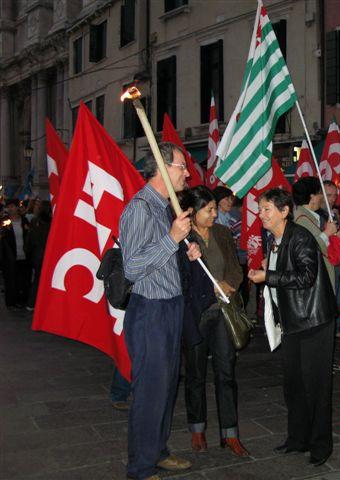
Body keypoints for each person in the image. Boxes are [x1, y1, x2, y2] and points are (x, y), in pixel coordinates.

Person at [119, 142, 201, 480]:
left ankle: (158, 450)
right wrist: (171, 238)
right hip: (150, 311)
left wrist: (185, 250)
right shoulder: (139, 208)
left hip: (170, 306)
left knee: (166, 387)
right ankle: (140, 467)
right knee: (151, 390)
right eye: (181, 166)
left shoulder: (163, 207)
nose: (187, 172)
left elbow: (160, 255)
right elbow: (132, 267)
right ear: (161, 169)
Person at [248, 188, 336, 466]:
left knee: (316, 386)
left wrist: (269, 275)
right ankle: (298, 438)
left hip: (313, 319)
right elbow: (286, 268)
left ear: (284, 211)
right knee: (294, 384)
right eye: (260, 209)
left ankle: (321, 445)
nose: (261, 215)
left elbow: (307, 276)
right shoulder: (274, 237)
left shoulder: (300, 236)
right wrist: (268, 265)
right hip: (291, 320)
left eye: (267, 210)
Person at [180, 185, 249, 457]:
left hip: (223, 312)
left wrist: (229, 284)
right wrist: (209, 285)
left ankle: (229, 434)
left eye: (213, 209)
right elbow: (182, 280)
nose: (213, 214)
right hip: (197, 314)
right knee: (195, 374)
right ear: (192, 212)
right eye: (208, 210)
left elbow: (235, 266)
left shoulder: (221, 233)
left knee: (226, 372)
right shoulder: (183, 239)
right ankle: (197, 429)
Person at [292, 176, 340, 291]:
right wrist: (327, 233)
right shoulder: (301, 219)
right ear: (312, 197)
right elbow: (309, 248)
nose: (322, 197)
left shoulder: (309, 217)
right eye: (320, 193)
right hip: (316, 281)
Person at [0, 199, 30, 309]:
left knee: (22, 279)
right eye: (9, 207)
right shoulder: (4, 221)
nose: (11, 209)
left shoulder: (24, 220)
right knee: (10, 279)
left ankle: (21, 299)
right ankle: (11, 301)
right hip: (9, 256)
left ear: (17, 207)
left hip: (23, 254)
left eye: (13, 206)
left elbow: (28, 236)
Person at [25, 199, 51, 310]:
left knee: (38, 279)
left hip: (37, 255)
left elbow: (30, 241)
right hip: (44, 255)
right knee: (42, 280)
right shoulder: (49, 222)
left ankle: (32, 303)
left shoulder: (35, 222)